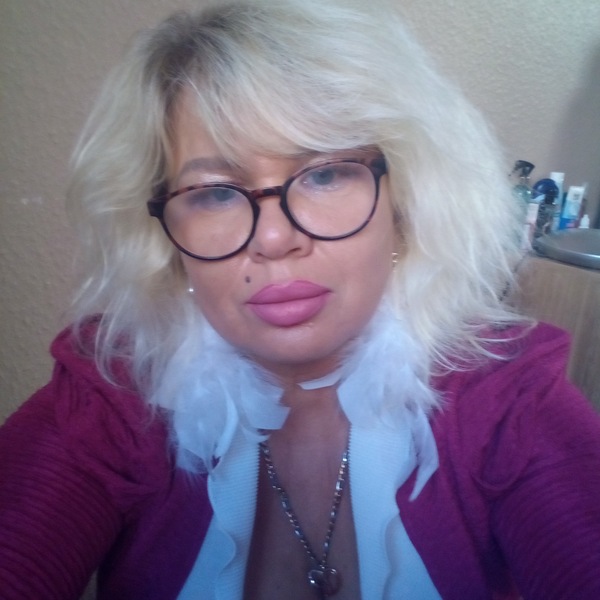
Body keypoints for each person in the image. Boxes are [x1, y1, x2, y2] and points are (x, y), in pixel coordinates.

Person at [1, 0, 599, 598]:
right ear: (163, 233)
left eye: (324, 173)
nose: (274, 238)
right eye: (215, 193)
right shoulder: (110, 399)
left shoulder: (506, 402)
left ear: (405, 200)